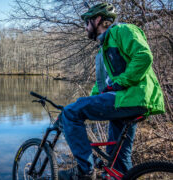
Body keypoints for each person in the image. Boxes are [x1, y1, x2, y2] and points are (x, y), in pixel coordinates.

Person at [58, 2, 165, 180]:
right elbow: (102, 87)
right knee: (118, 161)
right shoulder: (103, 50)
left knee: (70, 112)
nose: (85, 28)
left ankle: (85, 171)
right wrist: (85, 103)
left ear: (98, 19)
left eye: (87, 22)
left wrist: (120, 83)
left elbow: (144, 56)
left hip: (131, 97)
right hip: (125, 102)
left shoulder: (123, 31)